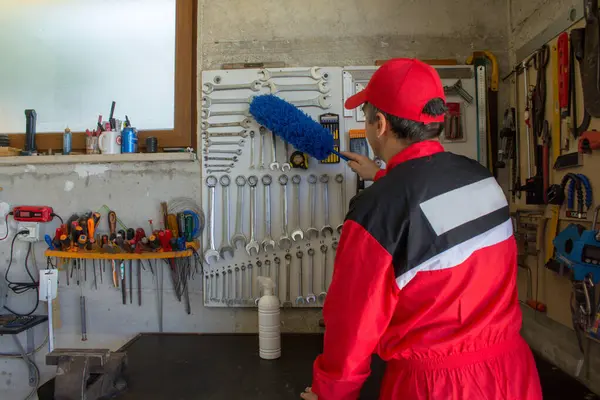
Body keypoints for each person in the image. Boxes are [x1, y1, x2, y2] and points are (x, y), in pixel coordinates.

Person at [301, 58, 542, 400]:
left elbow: (353, 323)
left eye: (367, 117)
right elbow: (433, 223)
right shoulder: (480, 178)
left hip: (437, 387)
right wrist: (384, 176)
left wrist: (331, 392)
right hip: (513, 373)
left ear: (380, 124)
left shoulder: (377, 211)